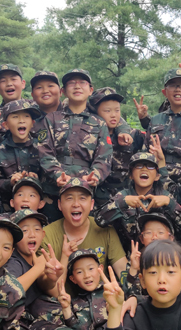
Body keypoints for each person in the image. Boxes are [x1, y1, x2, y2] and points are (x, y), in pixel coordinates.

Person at [3, 209, 102, 330]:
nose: (31, 234)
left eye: (36, 229)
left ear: (43, 234)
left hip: (35, 320)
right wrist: (39, 268)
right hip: (12, 321)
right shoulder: (13, 260)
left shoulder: (38, 258)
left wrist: (53, 275)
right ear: (15, 237)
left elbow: (53, 290)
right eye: (24, 230)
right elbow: (11, 293)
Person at [38, 69, 112, 221]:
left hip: (85, 189)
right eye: (72, 83)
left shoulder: (99, 122)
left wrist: (95, 176)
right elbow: (44, 152)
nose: (77, 86)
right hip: (53, 190)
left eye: (82, 82)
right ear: (63, 91)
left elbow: (104, 157)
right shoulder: (51, 119)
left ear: (90, 90)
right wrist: (57, 174)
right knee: (51, 230)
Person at [95, 151, 181, 251]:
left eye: (150, 166)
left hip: (161, 253)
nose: (144, 169)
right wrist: (122, 203)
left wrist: (170, 204)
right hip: (129, 254)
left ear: (157, 176)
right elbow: (99, 220)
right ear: (130, 175)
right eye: (138, 166)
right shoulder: (123, 196)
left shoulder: (165, 196)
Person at [41, 177, 128, 277]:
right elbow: (44, 283)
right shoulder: (46, 235)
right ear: (60, 205)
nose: (76, 204)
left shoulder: (105, 230)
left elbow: (123, 272)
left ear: (91, 204)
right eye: (69, 198)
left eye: (82, 198)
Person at [90, 87, 145, 208]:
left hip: (127, 196)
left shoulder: (131, 135)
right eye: (107, 111)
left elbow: (156, 138)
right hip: (97, 197)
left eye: (117, 110)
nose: (113, 115)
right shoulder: (89, 136)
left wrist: (145, 119)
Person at [0, 99, 42, 207]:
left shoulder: (41, 147)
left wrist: (38, 178)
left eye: (26, 116)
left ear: (32, 123)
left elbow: (50, 173)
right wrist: (10, 182)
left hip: (37, 204)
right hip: (8, 204)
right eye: (15, 117)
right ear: (6, 125)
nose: (21, 121)